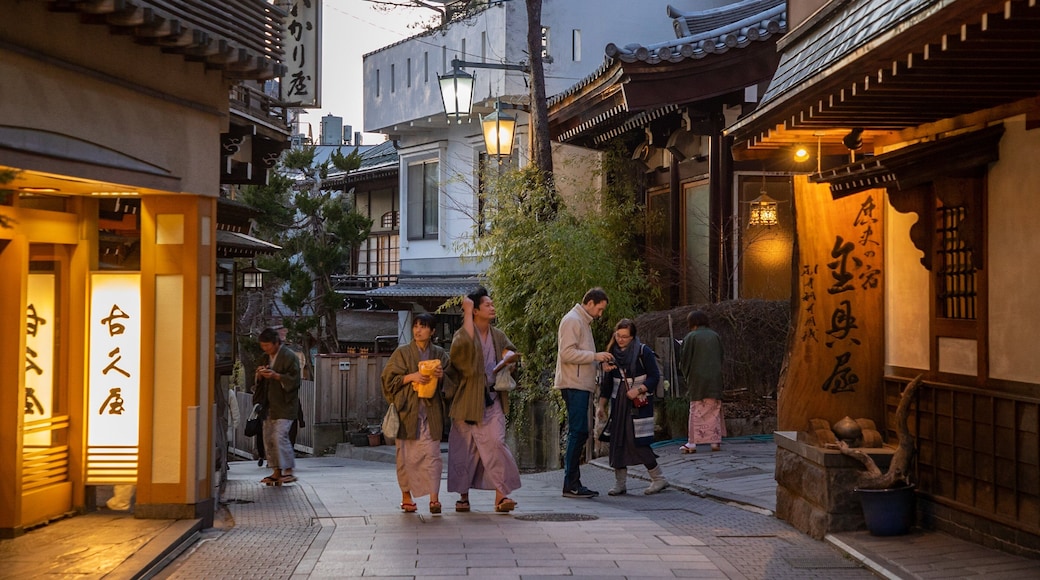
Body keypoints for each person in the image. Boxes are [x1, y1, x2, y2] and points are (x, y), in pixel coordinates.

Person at [445, 286, 522, 513]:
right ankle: (463, 496)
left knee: (496, 444)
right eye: (487, 305)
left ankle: (501, 496)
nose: (492, 308)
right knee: (464, 449)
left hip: (492, 397)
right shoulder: (462, 334)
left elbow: (512, 352)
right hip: (467, 400)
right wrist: (466, 314)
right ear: (475, 311)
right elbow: (462, 357)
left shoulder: (498, 335)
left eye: (492, 304)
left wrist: (510, 360)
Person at [381, 313, 451, 514]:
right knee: (405, 456)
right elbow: (388, 380)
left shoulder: (439, 354)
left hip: (430, 411)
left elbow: (452, 381)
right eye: (416, 326)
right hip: (407, 412)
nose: (418, 330)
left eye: (423, 326)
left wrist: (442, 376)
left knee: (432, 455)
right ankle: (406, 496)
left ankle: (434, 499)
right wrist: (411, 377)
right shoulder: (402, 353)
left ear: (432, 331)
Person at [597, 319, 669, 495]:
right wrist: (601, 406)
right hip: (618, 403)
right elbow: (607, 384)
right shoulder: (611, 354)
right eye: (618, 336)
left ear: (632, 337)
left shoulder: (643, 352)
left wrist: (639, 389)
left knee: (638, 441)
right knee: (617, 441)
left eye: (625, 337)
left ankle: (658, 479)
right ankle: (620, 483)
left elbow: (654, 376)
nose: (621, 339)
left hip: (638, 403)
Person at [554, 287, 612, 498]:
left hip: (579, 383)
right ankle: (571, 483)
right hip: (574, 383)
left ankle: (572, 482)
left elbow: (578, 354)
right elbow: (567, 353)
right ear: (590, 303)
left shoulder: (581, 321)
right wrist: (595, 357)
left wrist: (598, 363)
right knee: (578, 432)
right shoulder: (573, 320)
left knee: (579, 432)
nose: (600, 313)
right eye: (600, 308)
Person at [254, 327, 302, 484]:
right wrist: (260, 374)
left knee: (279, 436)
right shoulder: (264, 357)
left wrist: (277, 376)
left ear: (276, 343)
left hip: (285, 403)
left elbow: (295, 380)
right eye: (263, 346)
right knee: (268, 438)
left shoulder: (289, 357)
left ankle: (288, 470)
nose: (265, 349)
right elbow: (258, 380)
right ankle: (276, 471)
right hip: (268, 404)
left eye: (267, 345)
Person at [678, 310, 726, 453]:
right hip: (715, 378)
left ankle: (692, 443)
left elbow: (685, 360)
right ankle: (715, 441)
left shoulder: (691, 337)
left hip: (697, 379)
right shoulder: (715, 336)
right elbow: (721, 356)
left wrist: (686, 375)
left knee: (696, 409)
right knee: (714, 409)